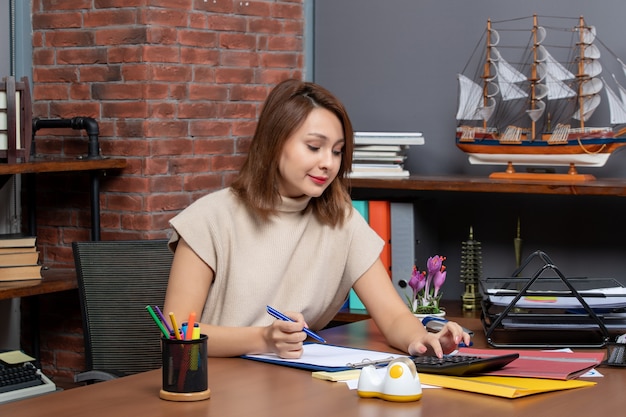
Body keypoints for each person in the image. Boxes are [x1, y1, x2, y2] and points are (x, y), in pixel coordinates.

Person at [163, 79, 471, 358]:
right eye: (314, 147)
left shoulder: (341, 221)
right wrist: (264, 339)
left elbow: (392, 317)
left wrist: (423, 339)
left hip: (293, 385)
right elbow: (179, 332)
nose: (328, 163)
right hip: (213, 386)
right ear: (274, 144)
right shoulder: (210, 219)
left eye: (337, 151)